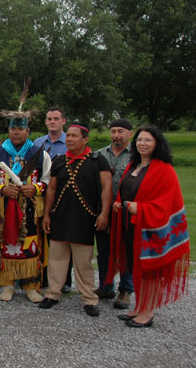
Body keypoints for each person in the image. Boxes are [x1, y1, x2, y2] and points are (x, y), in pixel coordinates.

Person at [107, 125, 189, 327]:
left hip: (150, 229)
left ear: (157, 144)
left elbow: (166, 203)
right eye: (140, 140)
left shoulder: (164, 170)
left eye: (148, 140)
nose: (142, 144)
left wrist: (140, 208)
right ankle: (139, 308)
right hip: (131, 226)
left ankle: (148, 312)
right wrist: (120, 202)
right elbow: (125, 190)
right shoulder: (133, 165)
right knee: (136, 269)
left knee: (149, 272)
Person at [40, 123, 112, 317]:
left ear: (85, 139)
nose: (69, 139)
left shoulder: (98, 161)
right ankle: (53, 293)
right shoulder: (60, 161)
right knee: (56, 260)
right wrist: (47, 214)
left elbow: (107, 188)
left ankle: (89, 299)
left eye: (74, 136)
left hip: (85, 218)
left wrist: (104, 213)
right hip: (60, 216)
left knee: (83, 262)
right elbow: (52, 190)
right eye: (68, 136)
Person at [0, 114, 51, 303]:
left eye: (21, 129)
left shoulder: (39, 153)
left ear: (28, 131)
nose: (17, 132)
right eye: (13, 129)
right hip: (4, 207)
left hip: (31, 207)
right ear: (9, 131)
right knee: (6, 241)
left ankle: (31, 285)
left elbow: (47, 180)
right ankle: (7, 284)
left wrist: (35, 188)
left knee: (30, 243)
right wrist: (2, 189)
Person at [94, 119, 134, 308]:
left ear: (130, 134)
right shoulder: (100, 154)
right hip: (104, 209)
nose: (117, 135)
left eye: (121, 131)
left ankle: (126, 289)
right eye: (113, 131)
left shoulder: (137, 155)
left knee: (126, 250)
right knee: (104, 250)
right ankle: (105, 285)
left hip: (127, 210)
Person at [34, 106, 72, 292]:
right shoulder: (38, 143)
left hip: (65, 198)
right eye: (49, 119)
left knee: (65, 239)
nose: (52, 122)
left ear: (63, 121)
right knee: (43, 238)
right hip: (41, 197)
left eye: (56, 118)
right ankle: (44, 275)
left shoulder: (70, 142)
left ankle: (65, 280)